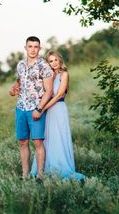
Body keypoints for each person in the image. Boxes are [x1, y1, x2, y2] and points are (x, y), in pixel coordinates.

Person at [31, 50, 84, 180]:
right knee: (48, 138)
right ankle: (46, 168)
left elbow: (59, 95)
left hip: (58, 109)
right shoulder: (49, 76)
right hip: (49, 111)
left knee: (59, 137)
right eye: (50, 61)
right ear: (47, 63)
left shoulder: (64, 74)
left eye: (56, 60)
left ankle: (61, 167)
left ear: (60, 60)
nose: (54, 63)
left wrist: (42, 109)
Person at [9, 36, 53, 179]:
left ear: (39, 48)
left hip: (35, 108)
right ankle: (25, 175)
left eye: (36, 47)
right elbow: (19, 82)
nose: (33, 49)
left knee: (37, 142)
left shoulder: (44, 66)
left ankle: (40, 175)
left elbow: (49, 91)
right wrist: (14, 89)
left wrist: (39, 108)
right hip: (21, 107)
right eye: (30, 46)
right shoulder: (20, 65)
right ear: (25, 47)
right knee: (22, 141)